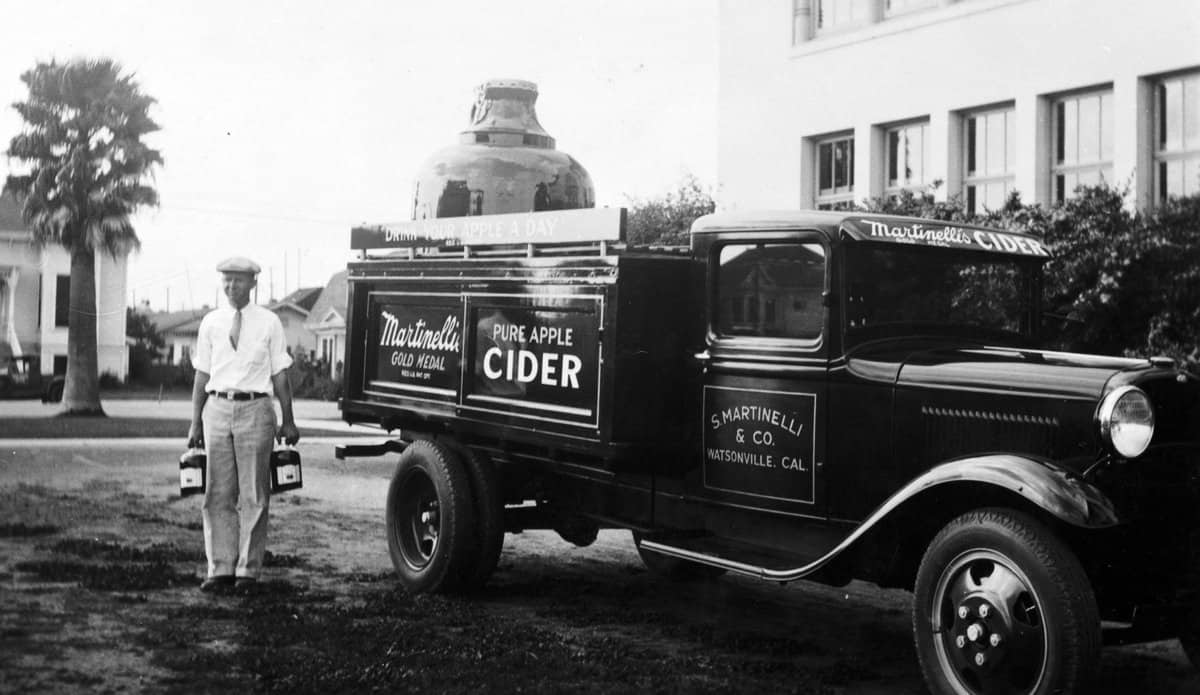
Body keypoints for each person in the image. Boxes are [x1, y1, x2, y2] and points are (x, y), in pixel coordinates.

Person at [186, 256, 300, 593]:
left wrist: (288, 420)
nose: (231, 286)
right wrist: (195, 422)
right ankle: (220, 568)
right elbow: (202, 374)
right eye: (226, 280)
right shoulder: (210, 322)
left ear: (253, 283)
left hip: (256, 410)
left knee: (255, 494)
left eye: (238, 280)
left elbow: (280, 373)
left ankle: (247, 571)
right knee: (217, 493)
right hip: (218, 409)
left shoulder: (269, 322)